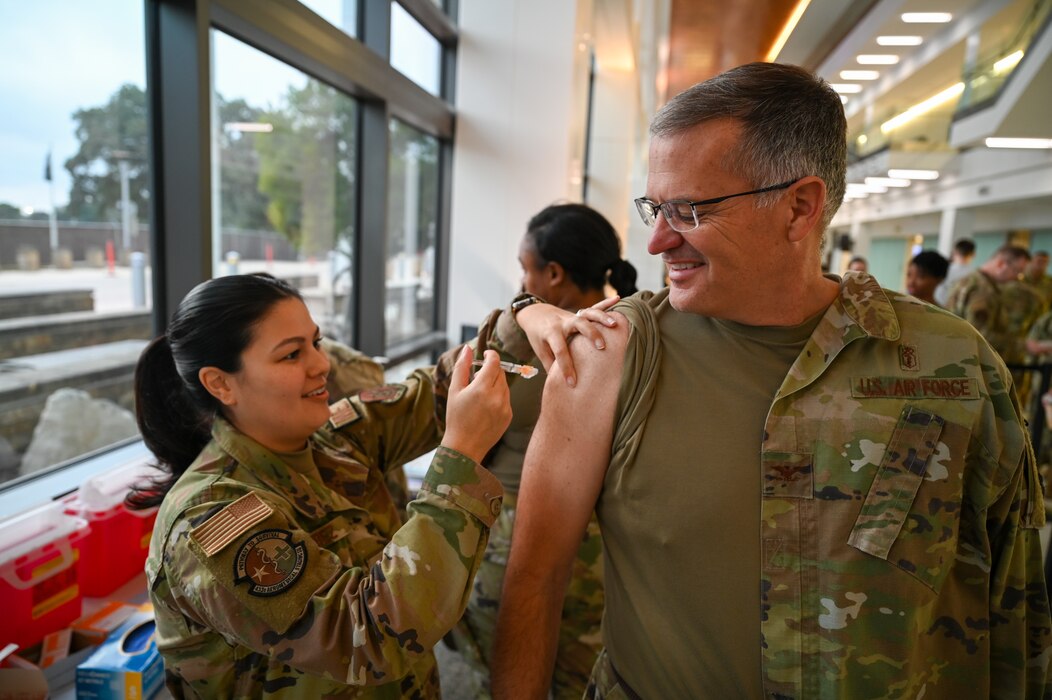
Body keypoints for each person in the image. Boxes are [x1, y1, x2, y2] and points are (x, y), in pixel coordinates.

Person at [491, 62, 1050, 699]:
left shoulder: (952, 366)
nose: (657, 241)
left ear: (800, 207)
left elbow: (1012, 600)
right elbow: (535, 577)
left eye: (689, 210)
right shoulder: (609, 354)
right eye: (655, 207)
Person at [128, 273, 612, 698]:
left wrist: (525, 314)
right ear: (221, 384)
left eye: (315, 342)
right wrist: (461, 455)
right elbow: (366, 639)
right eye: (292, 354)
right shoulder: (211, 520)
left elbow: (439, 388)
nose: (321, 365)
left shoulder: (333, 438)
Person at [449, 203, 638, 699]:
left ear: (553, 273)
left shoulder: (525, 353)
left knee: (502, 667)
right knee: (583, 671)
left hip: (513, 535)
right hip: (602, 548)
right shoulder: (633, 335)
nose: (521, 281)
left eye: (525, 269)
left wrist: (522, 308)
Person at [944, 244, 1031, 362]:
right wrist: (1024, 345)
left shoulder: (971, 280)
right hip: (965, 361)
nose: (1018, 277)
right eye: (1017, 271)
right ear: (1001, 264)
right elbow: (979, 335)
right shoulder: (983, 290)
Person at [933, 237, 976, 306]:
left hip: (938, 307)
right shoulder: (974, 274)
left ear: (955, 252)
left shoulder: (943, 269)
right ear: (973, 254)